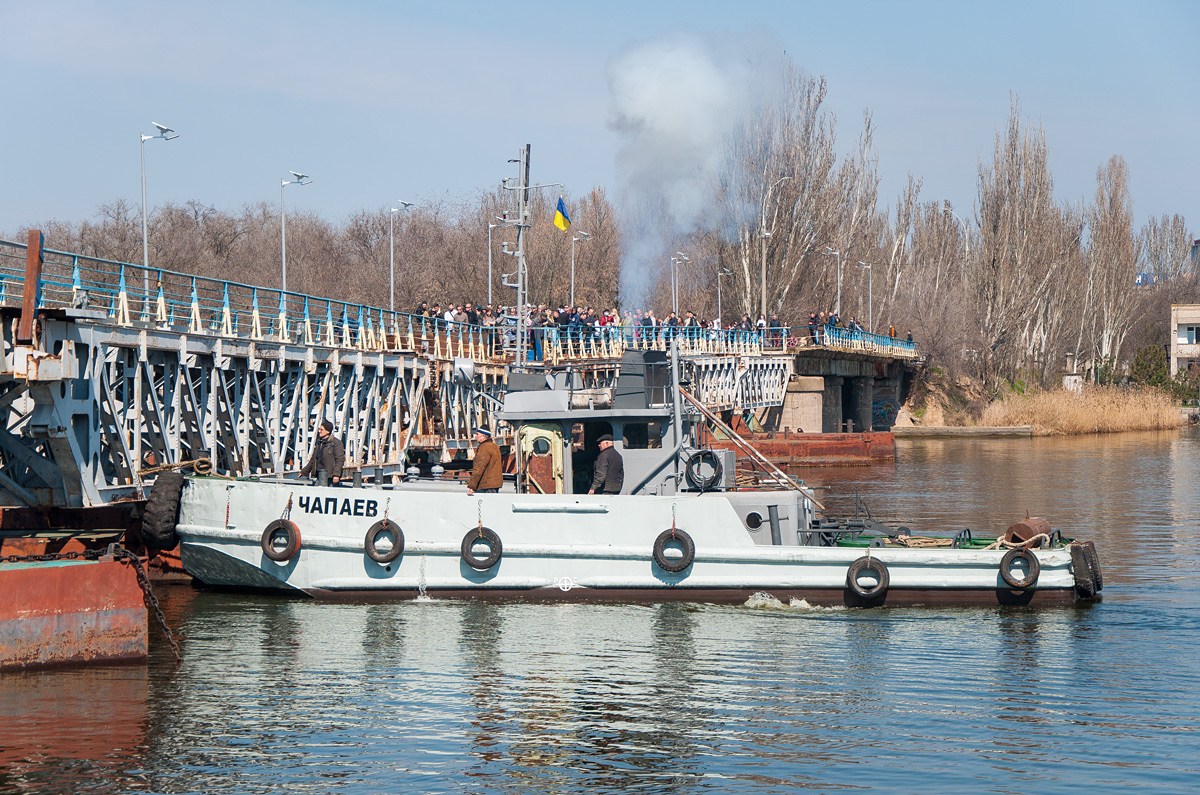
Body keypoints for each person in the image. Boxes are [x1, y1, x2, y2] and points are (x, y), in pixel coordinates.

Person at [300, 419, 345, 484]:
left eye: (321, 430)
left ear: (328, 431)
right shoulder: (319, 442)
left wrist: (336, 475)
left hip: (330, 476)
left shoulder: (336, 443)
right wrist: (304, 471)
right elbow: (313, 460)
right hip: (319, 474)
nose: (319, 431)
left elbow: (339, 460)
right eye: (319, 429)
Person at [467, 427, 502, 495]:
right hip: (493, 484)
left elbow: (479, 468)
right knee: (492, 503)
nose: (475, 436)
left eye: (477, 434)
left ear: (483, 436)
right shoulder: (494, 446)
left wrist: (472, 486)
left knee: (483, 504)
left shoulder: (484, 448)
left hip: (485, 484)